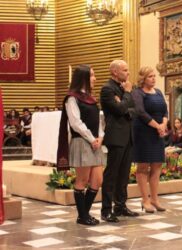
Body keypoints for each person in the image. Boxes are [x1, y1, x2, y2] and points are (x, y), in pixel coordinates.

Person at [56, 65, 105, 226]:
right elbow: (76, 123)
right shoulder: (72, 98)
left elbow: (98, 121)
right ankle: (83, 216)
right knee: (82, 180)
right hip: (82, 142)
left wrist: (100, 137)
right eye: (92, 75)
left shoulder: (90, 98)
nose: (95, 78)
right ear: (83, 77)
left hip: (95, 142)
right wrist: (92, 139)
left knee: (97, 180)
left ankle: (84, 214)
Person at [100, 60, 138, 223]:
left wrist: (124, 104)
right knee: (111, 175)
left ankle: (120, 206)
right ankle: (106, 210)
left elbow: (134, 110)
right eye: (125, 70)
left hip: (128, 135)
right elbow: (120, 109)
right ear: (115, 72)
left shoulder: (123, 89)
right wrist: (127, 95)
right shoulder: (107, 89)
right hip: (115, 136)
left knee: (124, 174)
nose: (128, 73)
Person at [131, 66, 168, 213]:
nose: (153, 78)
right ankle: (145, 200)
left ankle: (154, 198)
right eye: (150, 76)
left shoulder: (158, 92)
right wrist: (157, 126)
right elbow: (140, 111)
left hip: (158, 132)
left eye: (154, 76)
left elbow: (165, 110)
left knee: (157, 166)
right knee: (143, 167)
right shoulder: (137, 92)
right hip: (144, 131)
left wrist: (163, 125)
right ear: (143, 79)